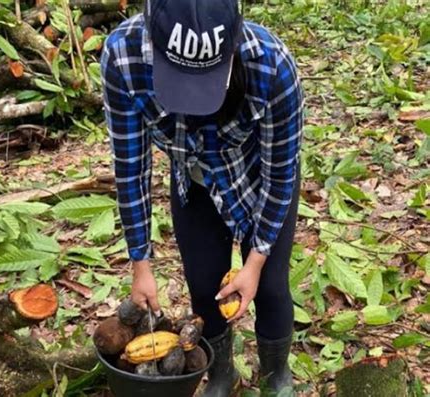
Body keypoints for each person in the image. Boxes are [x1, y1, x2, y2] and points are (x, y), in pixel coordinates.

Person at [100, 0, 304, 395]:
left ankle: (276, 375)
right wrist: (140, 263)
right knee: (204, 286)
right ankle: (222, 375)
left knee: (272, 287)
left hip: (260, 181)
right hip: (194, 182)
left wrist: (255, 261)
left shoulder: (272, 66)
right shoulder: (122, 56)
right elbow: (131, 166)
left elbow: (282, 171)